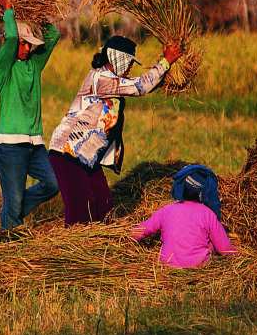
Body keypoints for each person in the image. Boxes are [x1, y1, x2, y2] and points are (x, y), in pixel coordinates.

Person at [48, 36, 182, 227]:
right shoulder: (100, 78)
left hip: (87, 155)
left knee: (103, 204)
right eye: (128, 62)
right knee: (82, 209)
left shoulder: (114, 82)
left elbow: (142, 85)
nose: (130, 68)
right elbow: (140, 86)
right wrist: (165, 62)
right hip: (68, 152)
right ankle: (73, 249)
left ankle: (98, 244)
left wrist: (164, 66)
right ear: (116, 58)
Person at [0, 0, 60, 231]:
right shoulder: (2, 68)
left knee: (52, 184)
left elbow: (53, 35)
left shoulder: (34, 64)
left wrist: (38, 13)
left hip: (35, 144)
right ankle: (8, 242)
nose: (26, 48)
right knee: (15, 198)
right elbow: (11, 38)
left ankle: (14, 212)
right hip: (10, 146)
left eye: (28, 43)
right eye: (22, 43)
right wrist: (8, 11)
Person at [132, 165, 236, 268]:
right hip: (199, 268)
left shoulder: (167, 210)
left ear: (182, 187)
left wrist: (123, 235)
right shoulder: (208, 214)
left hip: (168, 266)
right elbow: (225, 249)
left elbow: (139, 232)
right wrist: (240, 259)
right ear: (200, 192)